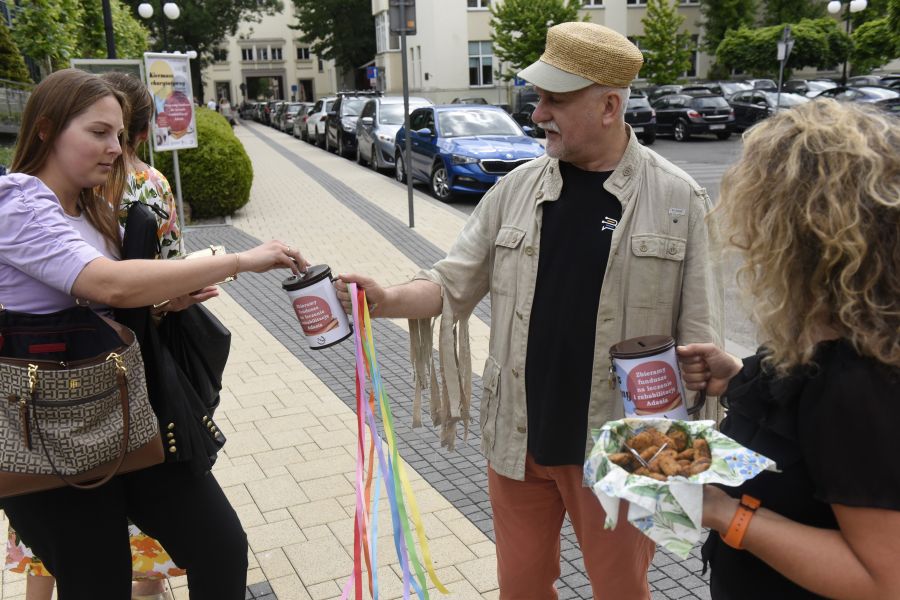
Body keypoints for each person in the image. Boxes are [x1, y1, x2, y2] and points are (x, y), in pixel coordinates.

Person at [337, 22, 724, 599]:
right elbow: (451, 282)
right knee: (520, 588)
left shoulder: (678, 201)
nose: (538, 112)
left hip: (624, 447)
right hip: (519, 436)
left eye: (554, 100)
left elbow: (702, 340)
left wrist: (690, 444)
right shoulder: (515, 188)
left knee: (621, 591)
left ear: (609, 106)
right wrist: (386, 299)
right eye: (537, 97)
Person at [0, 68, 309, 599]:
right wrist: (236, 260)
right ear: (46, 129)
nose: (115, 149)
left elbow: (109, 306)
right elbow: (107, 285)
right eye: (98, 133)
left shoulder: (93, 209)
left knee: (220, 548)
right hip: (49, 438)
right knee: (98, 584)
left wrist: (164, 303)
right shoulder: (17, 202)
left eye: (119, 135)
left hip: (124, 415)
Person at [676, 99, 900, 599]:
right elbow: (811, 442)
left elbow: (885, 580)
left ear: (798, 234)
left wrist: (721, 511)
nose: (749, 237)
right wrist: (736, 377)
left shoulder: (860, 379)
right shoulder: (837, 327)